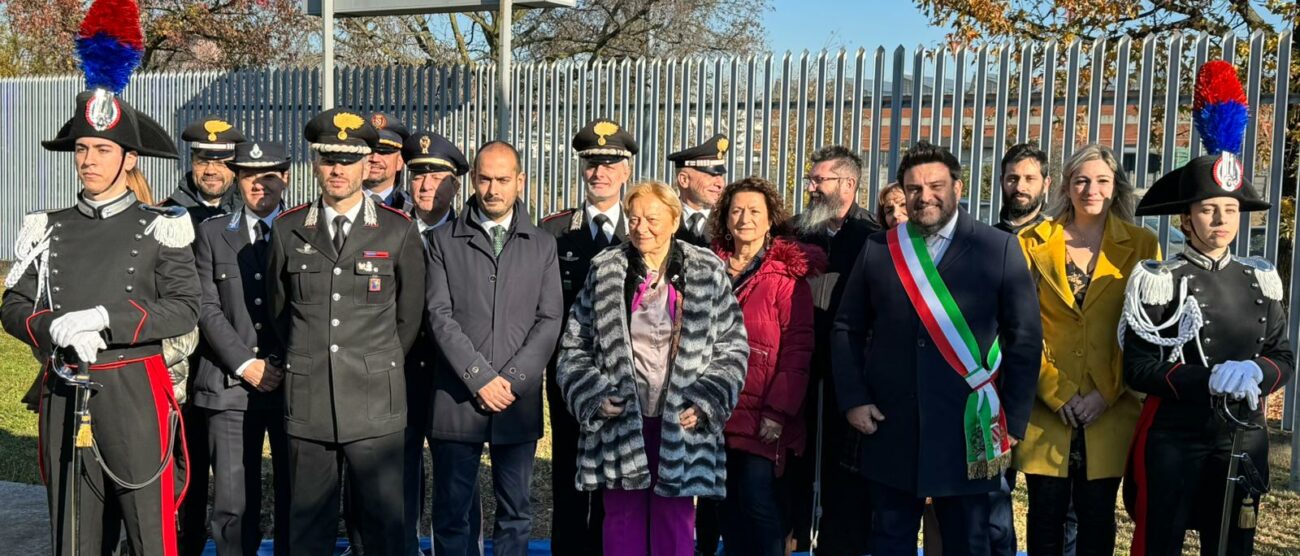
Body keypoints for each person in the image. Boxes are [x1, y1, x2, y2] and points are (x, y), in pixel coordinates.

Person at [2, 58, 200, 553]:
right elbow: (13, 304)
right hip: (66, 390)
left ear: (129, 159)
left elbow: (183, 308)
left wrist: (106, 319)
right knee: (74, 532)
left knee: (148, 529)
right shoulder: (46, 225)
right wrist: (52, 327)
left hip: (135, 390)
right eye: (82, 148)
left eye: (102, 149)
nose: (88, 159)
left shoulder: (162, 224)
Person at [831, 141, 1041, 555]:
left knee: (968, 541)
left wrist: (1013, 421)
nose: (924, 196)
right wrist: (854, 399)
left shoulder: (997, 248)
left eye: (935, 186)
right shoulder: (879, 248)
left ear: (958, 188)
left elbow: (1025, 338)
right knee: (890, 540)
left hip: (968, 428)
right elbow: (846, 327)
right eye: (913, 188)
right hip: (891, 425)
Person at [1121, 60, 1293, 556]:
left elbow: (1283, 356)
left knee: (1233, 544)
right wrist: (1206, 379)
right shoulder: (1159, 279)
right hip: (1175, 437)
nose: (1220, 219)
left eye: (1231, 209)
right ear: (1185, 217)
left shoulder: (1259, 277)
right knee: (1162, 543)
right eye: (1207, 208)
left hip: (1243, 438)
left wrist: (1254, 372)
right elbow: (1137, 366)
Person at [556, 181, 749, 556]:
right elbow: (574, 345)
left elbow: (733, 345)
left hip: (681, 419)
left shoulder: (707, 270)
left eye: (652, 218)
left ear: (675, 220)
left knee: (674, 522)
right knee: (621, 522)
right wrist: (593, 394)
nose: (641, 227)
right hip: (621, 417)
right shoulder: (606, 269)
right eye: (634, 218)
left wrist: (708, 399)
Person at [266, 107, 426, 556]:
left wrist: (375, 361)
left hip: (376, 399)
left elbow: (408, 319)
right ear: (315, 163)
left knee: (382, 527)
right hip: (310, 397)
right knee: (307, 528)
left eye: (348, 159)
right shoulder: (288, 229)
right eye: (328, 159)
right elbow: (283, 313)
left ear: (366, 163)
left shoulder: (397, 231)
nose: (338, 169)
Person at [1015, 144, 1158, 555]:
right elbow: (1021, 326)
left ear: (1116, 188)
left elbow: (1144, 329)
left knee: (1098, 515)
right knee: (1044, 514)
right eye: (1080, 180)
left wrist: (1106, 393)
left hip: (1110, 404)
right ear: (1065, 186)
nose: (1090, 189)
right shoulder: (1031, 241)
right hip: (1047, 403)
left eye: (1101, 181)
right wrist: (1056, 392)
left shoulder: (1143, 245)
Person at [424, 141, 562, 556]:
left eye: (503, 179)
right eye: (484, 178)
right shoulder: (443, 240)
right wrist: (479, 377)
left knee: (516, 511)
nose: (493, 189)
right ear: (473, 180)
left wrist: (514, 379)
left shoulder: (541, 244)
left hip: (515, 401)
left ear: (520, 181)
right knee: (452, 512)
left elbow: (549, 318)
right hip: (457, 396)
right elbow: (438, 315)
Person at [540, 117, 638, 554]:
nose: (599, 172)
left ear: (626, 170)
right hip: (570, 380)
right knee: (568, 480)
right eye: (591, 163)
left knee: (618, 483)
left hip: (626, 380)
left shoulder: (642, 232)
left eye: (610, 163)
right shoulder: (554, 231)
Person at [711, 177, 823, 556]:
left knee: (759, 502)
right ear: (725, 218)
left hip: (764, 414)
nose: (744, 219)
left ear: (770, 219)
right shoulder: (708, 269)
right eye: (737, 210)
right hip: (716, 409)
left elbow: (798, 348)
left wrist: (778, 410)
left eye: (754, 211)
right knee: (725, 503)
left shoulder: (786, 278)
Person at [192, 140, 292, 556]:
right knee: (233, 502)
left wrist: (281, 363)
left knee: (295, 494)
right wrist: (244, 363)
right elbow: (205, 305)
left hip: (292, 384)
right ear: (238, 179)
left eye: (269, 175)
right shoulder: (213, 233)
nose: (259, 185)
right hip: (229, 384)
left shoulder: (303, 228)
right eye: (250, 176)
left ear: (285, 178)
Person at [788, 145, 880, 556]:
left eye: (818, 180)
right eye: (810, 179)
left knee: (846, 480)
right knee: (796, 466)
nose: (810, 187)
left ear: (848, 184)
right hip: (799, 370)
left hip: (850, 374)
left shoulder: (874, 239)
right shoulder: (793, 233)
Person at [399, 129, 472, 556]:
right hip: (400, 371)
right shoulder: (391, 229)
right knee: (400, 475)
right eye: (417, 175)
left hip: (454, 375)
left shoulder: (471, 235)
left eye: (437, 177)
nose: (425, 185)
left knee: (457, 483)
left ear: (455, 184)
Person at [668, 133, 728, 247]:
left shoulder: (728, 221)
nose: (720, 184)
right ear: (684, 180)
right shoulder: (664, 217)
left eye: (721, 176)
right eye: (710, 175)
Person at [995, 143, 1052, 234]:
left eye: (1030, 179)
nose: (1019, 188)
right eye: (1013, 179)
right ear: (1002, 182)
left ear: (1046, 184)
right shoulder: (988, 240)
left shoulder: (1060, 236)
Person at [364, 112, 413, 210]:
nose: (374, 158)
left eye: (384, 152)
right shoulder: (339, 205)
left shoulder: (413, 211)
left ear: (399, 161)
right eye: (368, 151)